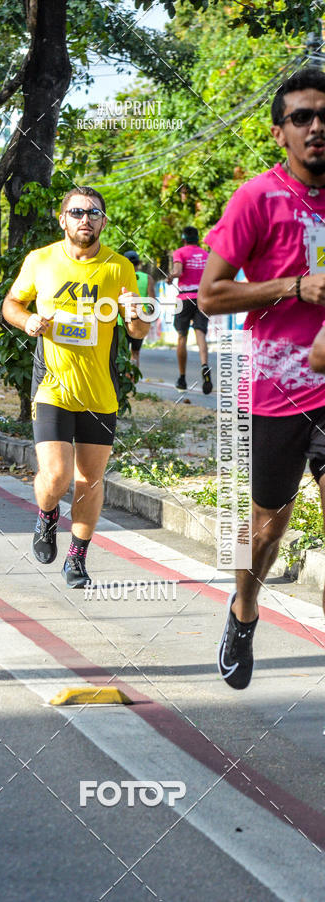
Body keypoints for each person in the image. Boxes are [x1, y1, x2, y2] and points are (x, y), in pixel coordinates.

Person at [198, 67, 325, 690]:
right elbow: (211, 295)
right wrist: (294, 287)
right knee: (267, 528)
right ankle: (244, 609)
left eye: (324, 115)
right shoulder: (257, 198)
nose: (317, 127)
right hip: (279, 392)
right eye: (302, 117)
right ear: (281, 133)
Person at [2, 187, 149, 588]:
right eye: (78, 211)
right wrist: (27, 321)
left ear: (103, 221)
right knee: (57, 476)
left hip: (100, 390)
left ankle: (77, 558)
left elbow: (136, 329)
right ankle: (47, 516)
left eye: (94, 213)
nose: (86, 218)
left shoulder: (120, 268)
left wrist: (136, 316)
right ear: (62, 218)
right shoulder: (41, 260)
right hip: (52, 386)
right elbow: (11, 304)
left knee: (90, 480)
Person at [168, 226, 212, 394]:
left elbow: (178, 271)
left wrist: (171, 276)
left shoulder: (180, 252)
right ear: (197, 239)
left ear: (183, 239)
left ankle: (182, 378)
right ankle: (205, 366)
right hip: (202, 298)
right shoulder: (206, 255)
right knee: (201, 334)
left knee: (182, 337)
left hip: (184, 298)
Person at [123, 250, 156, 368]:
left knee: (123, 352)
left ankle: (124, 377)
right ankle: (133, 377)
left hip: (122, 319)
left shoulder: (121, 277)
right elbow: (152, 300)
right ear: (138, 264)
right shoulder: (147, 278)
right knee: (136, 352)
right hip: (141, 319)